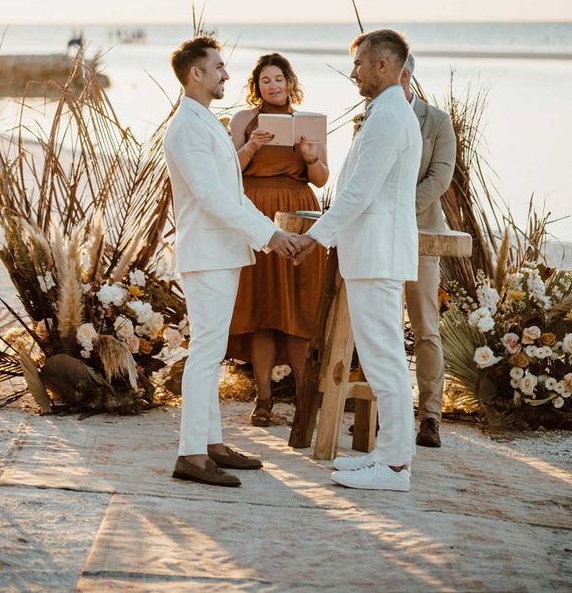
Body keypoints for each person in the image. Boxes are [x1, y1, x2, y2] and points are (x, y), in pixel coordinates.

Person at [163, 35, 302, 488]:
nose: (226, 74)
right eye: (218, 67)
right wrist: (268, 235)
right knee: (205, 352)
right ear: (196, 74)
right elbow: (211, 197)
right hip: (206, 254)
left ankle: (213, 444)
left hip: (223, 252)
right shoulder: (186, 127)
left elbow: (234, 194)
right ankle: (190, 453)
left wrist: (271, 235)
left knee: (212, 350)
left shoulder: (207, 121)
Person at [294, 29, 422, 492]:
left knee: (384, 359)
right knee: (380, 357)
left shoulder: (389, 118)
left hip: (378, 253)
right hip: (373, 252)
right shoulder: (387, 112)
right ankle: (389, 458)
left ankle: (392, 468)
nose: (353, 72)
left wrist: (316, 237)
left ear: (384, 66)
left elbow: (360, 192)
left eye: (359, 64)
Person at [226, 53, 329, 425]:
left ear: (290, 82)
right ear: (257, 86)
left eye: (279, 79)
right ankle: (264, 399)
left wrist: (310, 156)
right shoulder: (242, 120)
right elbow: (226, 172)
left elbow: (320, 179)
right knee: (262, 310)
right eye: (265, 80)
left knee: (299, 309)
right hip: (255, 215)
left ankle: (306, 399)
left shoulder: (309, 122)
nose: (273, 86)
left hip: (299, 213)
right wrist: (251, 146)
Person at [401, 53, 457, 449]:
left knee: (425, 327)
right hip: (379, 237)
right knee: (380, 326)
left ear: (403, 74)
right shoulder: (368, 119)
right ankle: (385, 412)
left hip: (422, 233)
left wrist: (398, 209)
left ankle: (430, 417)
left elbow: (440, 177)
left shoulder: (436, 121)